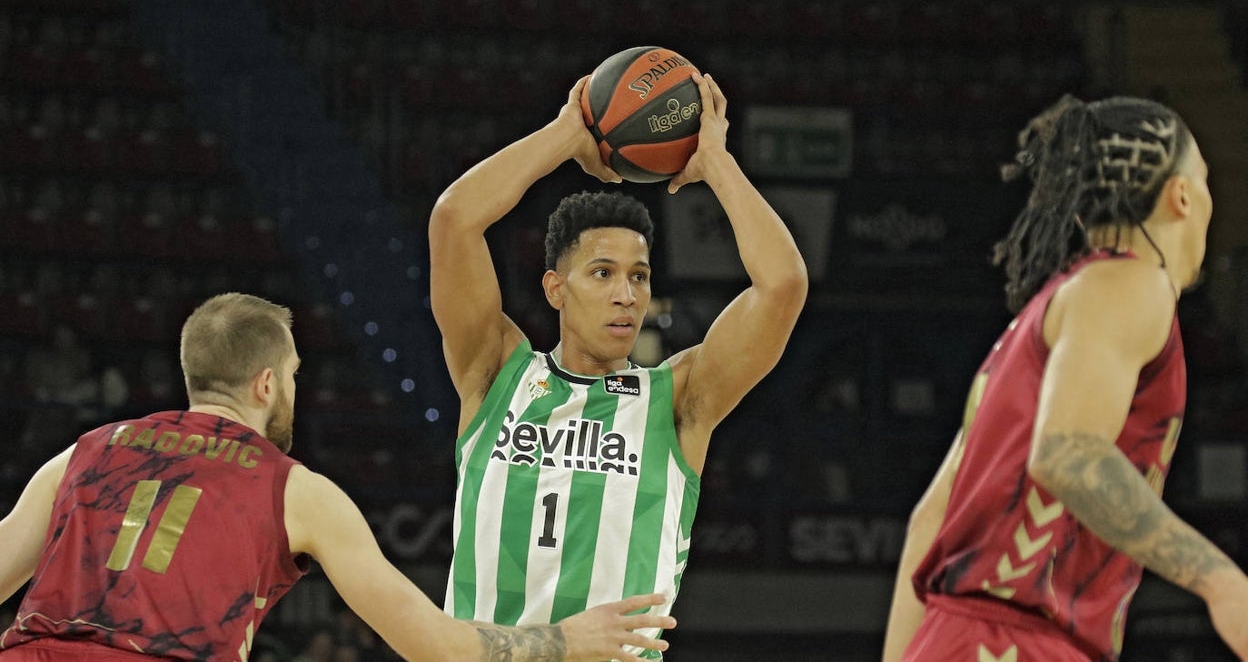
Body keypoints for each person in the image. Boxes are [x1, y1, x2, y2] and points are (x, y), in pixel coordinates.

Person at [0, 293, 675, 662]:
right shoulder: (294, 489)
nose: (296, 389)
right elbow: (434, 645)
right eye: (294, 376)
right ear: (267, 382)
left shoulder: (84, 452)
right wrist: (566, 639)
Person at [428, 71, 807, 658]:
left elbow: (782, 285)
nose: (626, 295)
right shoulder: (496, 372)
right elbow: (454, 219)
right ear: (555, 287)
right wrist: (566, 134)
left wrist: (715, 163)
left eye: (639, 277)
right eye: (602, 273)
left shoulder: (677, 399)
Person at [881, 95, 1248, 661]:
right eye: (1203, 179)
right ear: (1183, 195)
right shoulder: (1132, 285)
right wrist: (1220, 581)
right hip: (1014, 643)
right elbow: (1066, 452)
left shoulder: (1043, 319)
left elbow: (928, 519)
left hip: (953, 638)